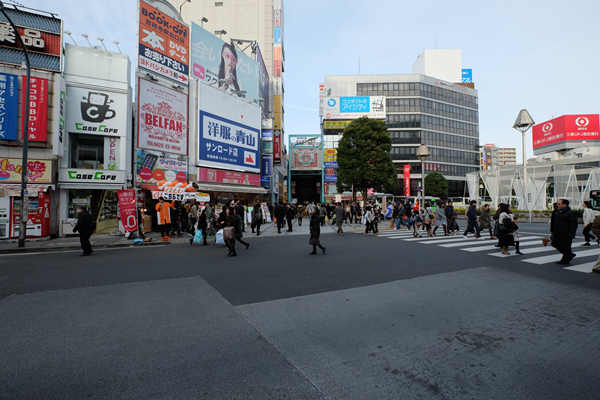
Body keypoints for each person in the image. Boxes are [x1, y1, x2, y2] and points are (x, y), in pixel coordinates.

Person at [551, 199, 578, 265]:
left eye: (559, 204)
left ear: (564, 204)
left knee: (566, 246)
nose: (557, 205)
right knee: (555, 243)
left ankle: (565, 259)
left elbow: (573, 223)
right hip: (557, 232)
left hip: (566, 232)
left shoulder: (570, 213)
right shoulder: (557, 211)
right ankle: (569, 254)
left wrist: (571, 232)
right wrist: (553, 230)